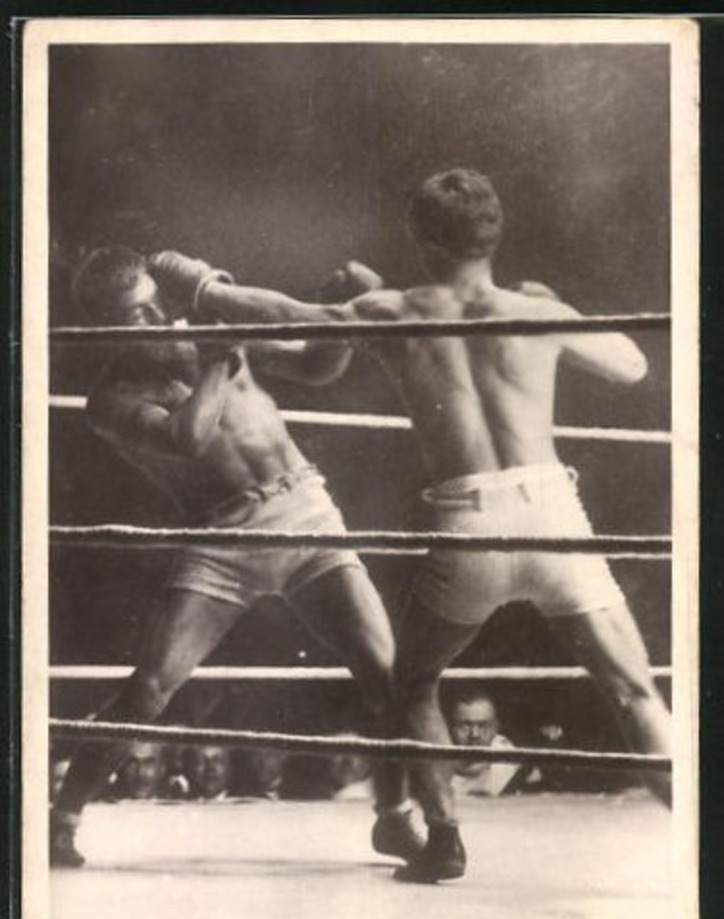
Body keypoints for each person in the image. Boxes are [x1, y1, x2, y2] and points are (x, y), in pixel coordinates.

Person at [325, 168, 672, 881]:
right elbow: (632, 366)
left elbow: (286, 323)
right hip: (551, 512)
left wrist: (205, 286)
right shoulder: (531, 310)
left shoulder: (389, 309)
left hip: (469, 521)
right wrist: (556, 307)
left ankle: (444, 837)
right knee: (635, 690)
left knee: (413, 684)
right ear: (497, 232)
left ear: (421, 239)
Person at [50, 247, 422, 867]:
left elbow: (318, 366)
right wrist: (221, 353)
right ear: (104, 328)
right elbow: (187, 439)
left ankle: (394, 816)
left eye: (153, 305)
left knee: (386, 673)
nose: (152, 320)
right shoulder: (110, 400)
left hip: (302, 510)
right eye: (132, 316)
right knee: (149, 688)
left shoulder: (211, 332)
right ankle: (61, 819)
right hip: (221, 538)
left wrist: (342, 311)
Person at [448, 686, 523, 797]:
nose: (475, 734)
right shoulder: (433, 762)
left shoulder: (509, 760)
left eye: (483, 726)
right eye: (465, 725)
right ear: (450, 727)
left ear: (496, 727)